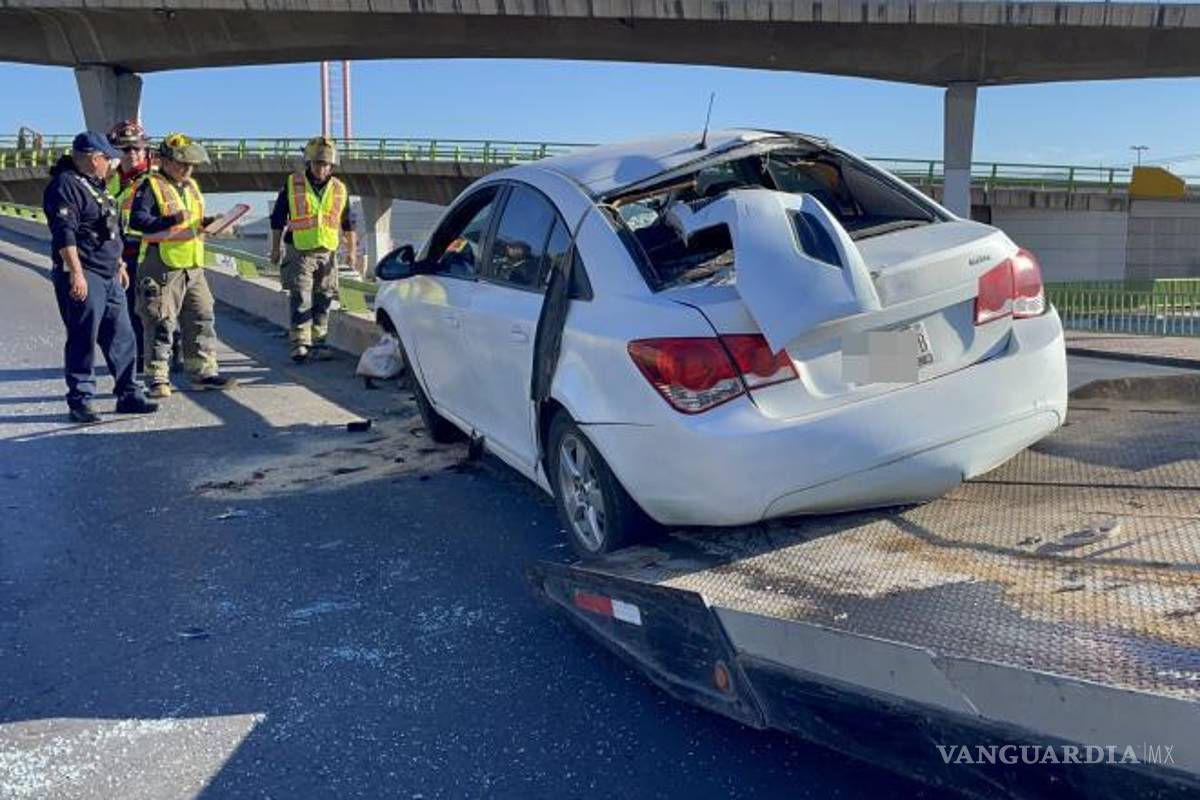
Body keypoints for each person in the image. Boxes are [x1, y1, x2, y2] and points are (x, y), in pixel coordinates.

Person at [42, 132, 158, 423]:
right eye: (109, 159)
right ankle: (81, 400)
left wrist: (119, 263)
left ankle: (129, 393)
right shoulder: (66, 185)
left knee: (122, 335)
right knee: (83, 337)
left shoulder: (98, 185)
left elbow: (109, 228)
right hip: (85, 273)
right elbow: (64, 233)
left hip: (108, 272)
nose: (112, 164)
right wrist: (76, 274)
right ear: (94, 158)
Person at [128, 132, 236, 398]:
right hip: (162, 264)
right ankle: (156, 378)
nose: (187, 169)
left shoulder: (191, 187)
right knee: (160, 321)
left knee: (201, 316)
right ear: (164, 160)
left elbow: (192, 223)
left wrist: (211, 222)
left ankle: (202, 372)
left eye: (191, 165)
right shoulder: (149, 185)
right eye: (181, 164)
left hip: (192, 264)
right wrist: (172, 218)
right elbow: (138, 221)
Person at [268, 136, 359, 362]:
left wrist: (352, 251)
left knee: (324, 297)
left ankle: (319, 342)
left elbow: (348, 222)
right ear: (309, 163)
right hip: (300, 249)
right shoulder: (293, 183)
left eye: (327, 165)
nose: (323, 169)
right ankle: (300, 343)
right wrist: (275, 248)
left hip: (327, 251)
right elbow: (278, 218)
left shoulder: (339, 189)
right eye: (319, 164)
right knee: (301, 297)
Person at [106, 119, 153, 372]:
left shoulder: (154, 179)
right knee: (126, 312)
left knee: (153, 310)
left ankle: (164, 356)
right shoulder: (112, 180)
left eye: (136, 148)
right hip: (121, 256)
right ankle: (138, 358)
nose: (132, 153)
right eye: (125, 149)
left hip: (151, 254)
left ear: (145, 150)